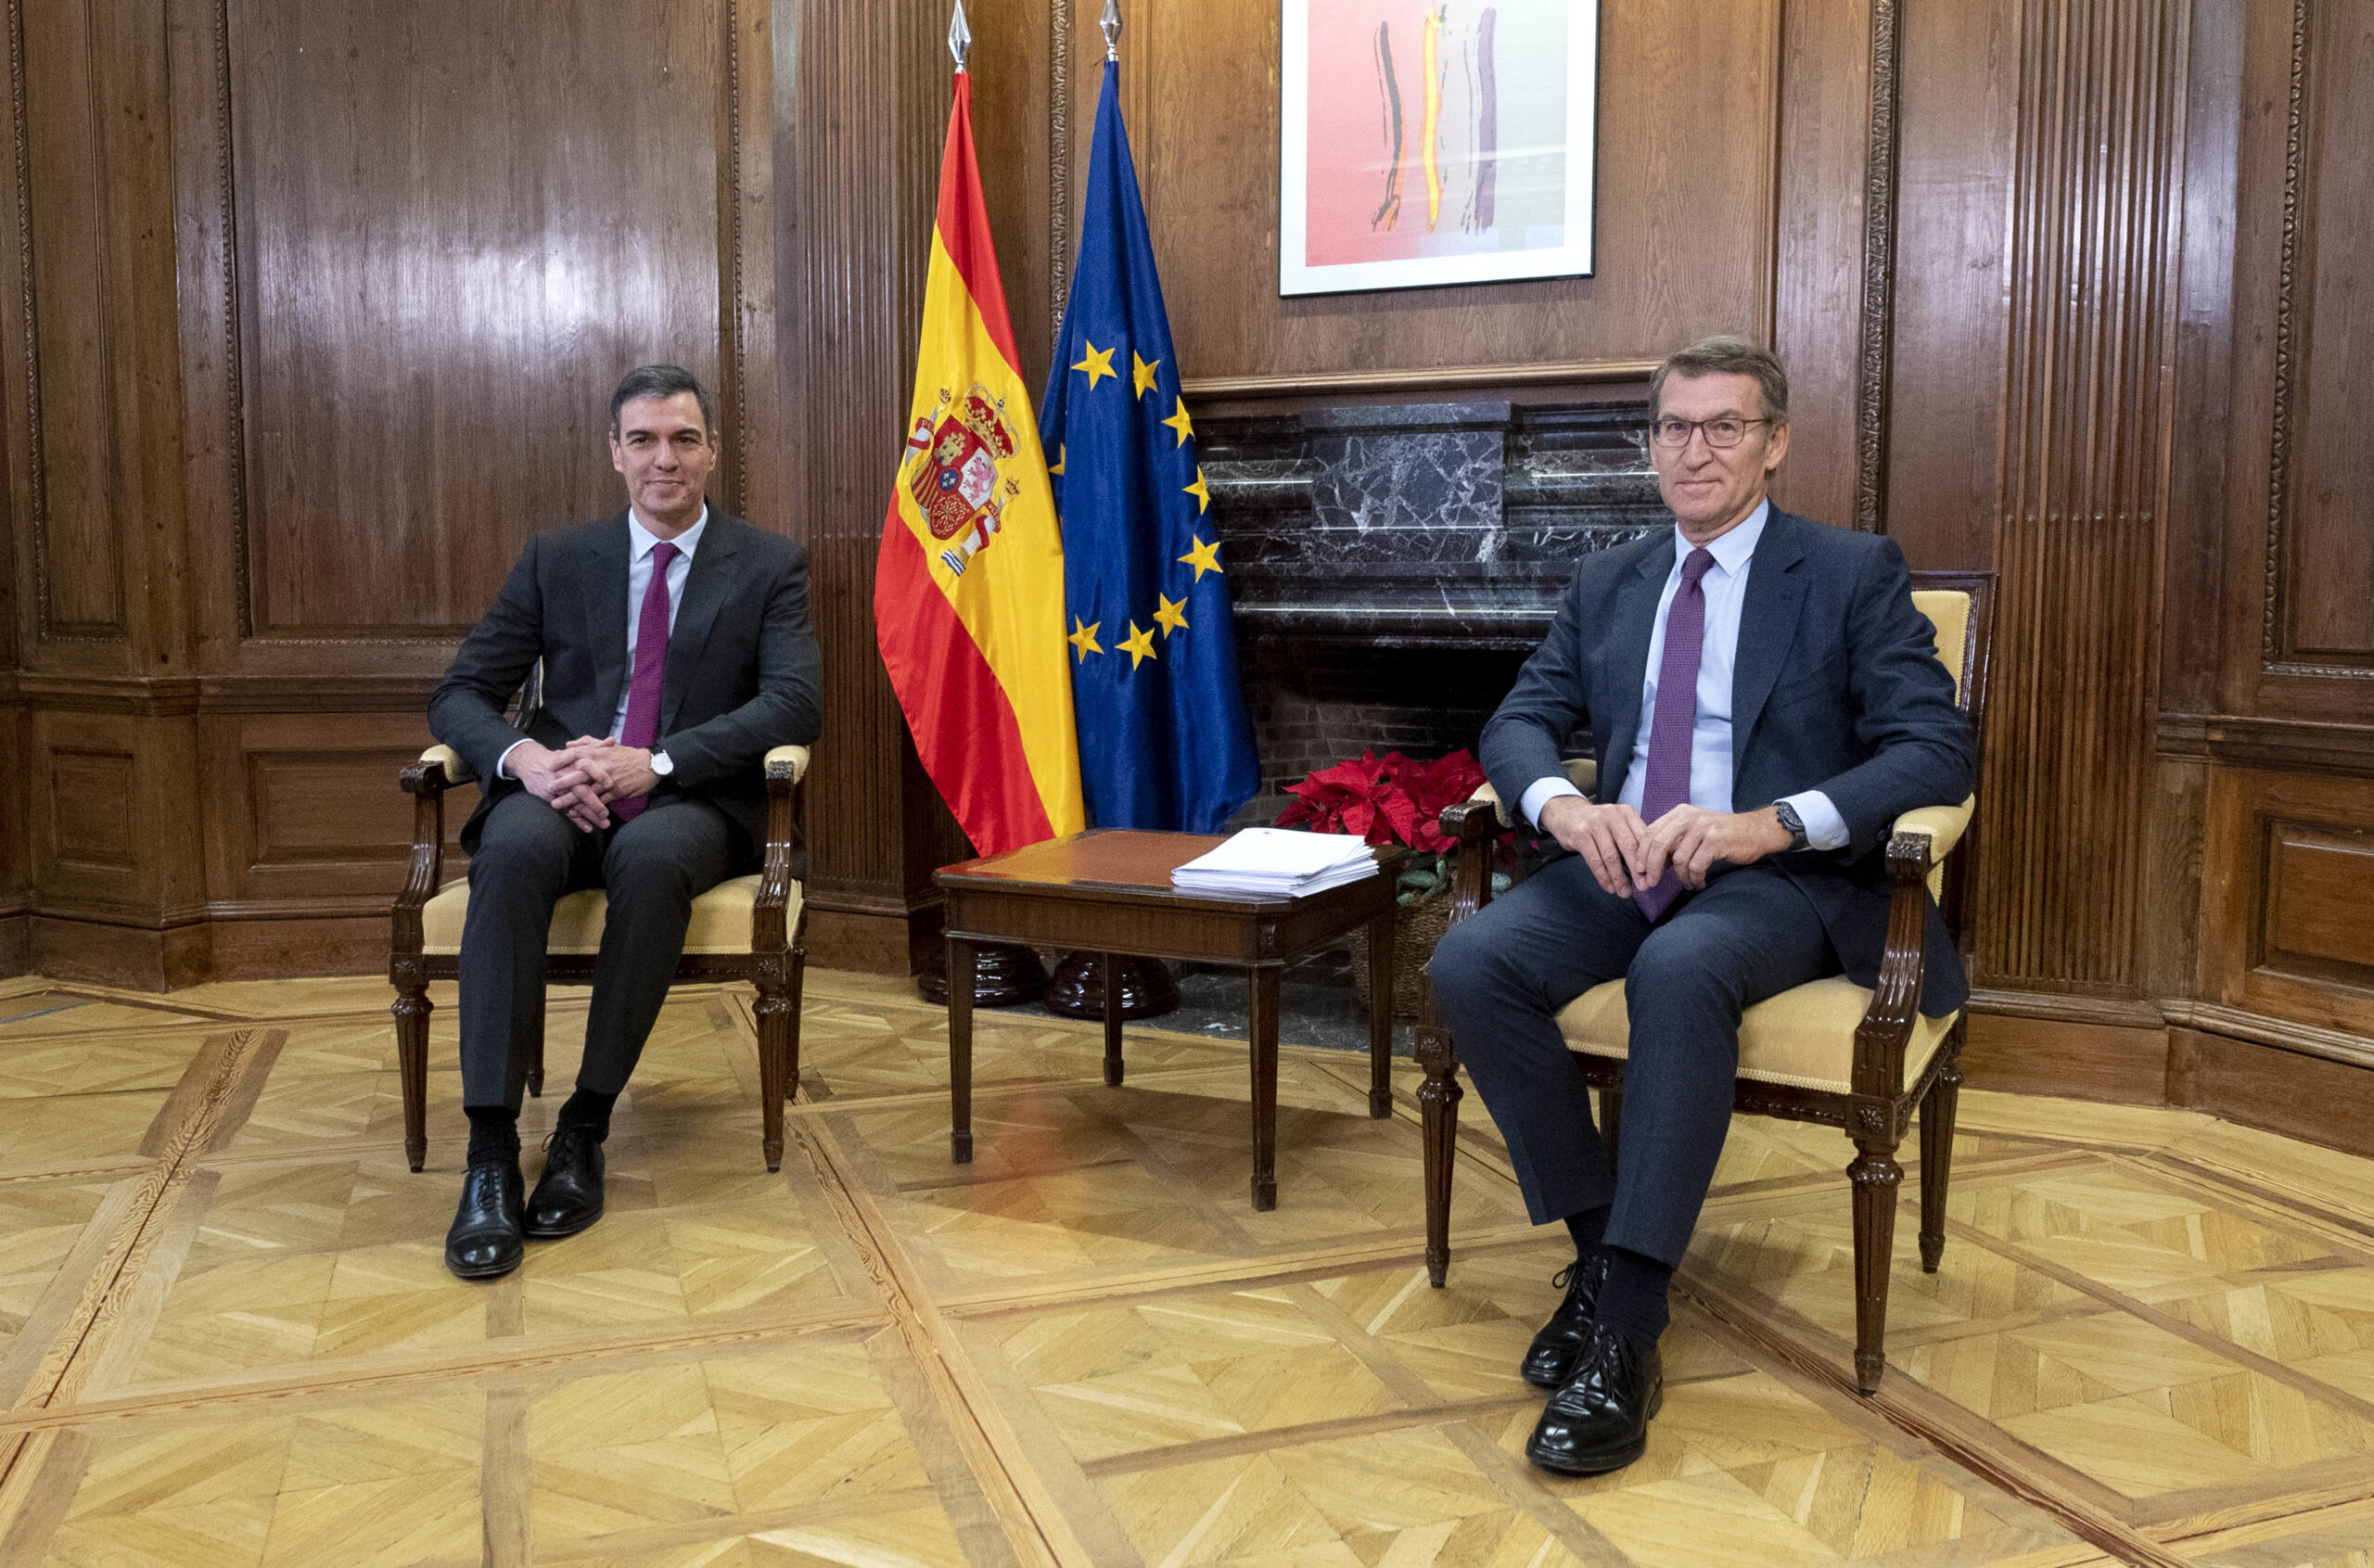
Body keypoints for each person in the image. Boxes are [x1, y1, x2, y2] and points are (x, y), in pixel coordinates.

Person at [1427, 336, 1973, 1474]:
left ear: (1775, 443)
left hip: (1778, 876)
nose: (1696, 450)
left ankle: (1626, 1335)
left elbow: (1934, 747)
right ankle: (1602, 1258)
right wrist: (1567, 809)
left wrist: (1769, 822)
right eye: (1675, 427)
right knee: (1470, 961)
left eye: (1726, 426)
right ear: (1650, 444)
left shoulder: (1848, 570)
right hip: (1628, 860)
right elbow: (1519, 719)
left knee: (1676, 972)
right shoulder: (1611, 578)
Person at [428, 364, 822, 1281]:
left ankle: (584, 1125)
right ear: (615, 452)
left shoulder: (768, 564)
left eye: (684, 439)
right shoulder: (557, 559)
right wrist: (528, 760)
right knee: (511, 850)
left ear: (712, 451)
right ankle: (490, 1152)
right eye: (643, 439)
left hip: (690, 801)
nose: (664, 459)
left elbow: (795, 703)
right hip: (561, 791)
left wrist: (659, 761)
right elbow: (460, 693)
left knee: (649, 858)